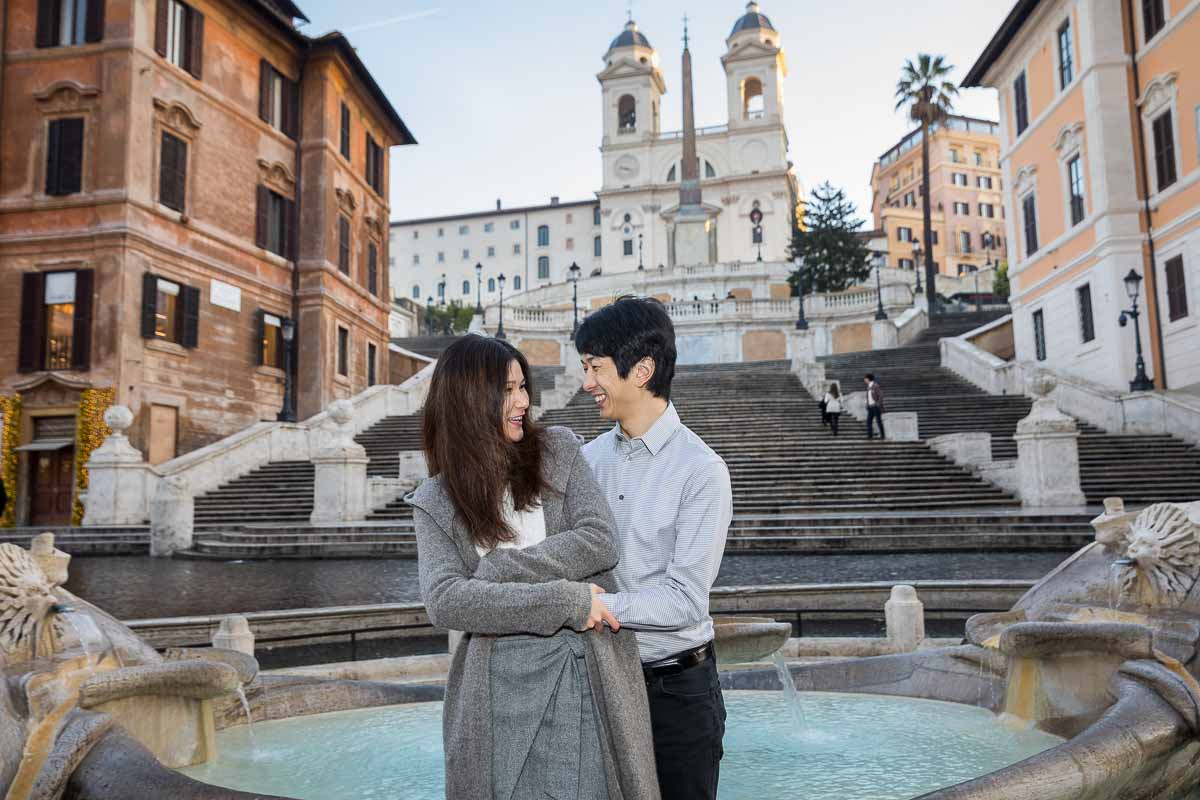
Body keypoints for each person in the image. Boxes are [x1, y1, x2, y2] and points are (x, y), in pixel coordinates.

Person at [410, 335, 660, 800]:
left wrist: (501, 569)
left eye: (524, 387)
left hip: (585, 668)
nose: (523, 401)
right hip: (494, 688)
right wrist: (563, 599)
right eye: (508, 390)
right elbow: (446, 601)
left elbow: (599, 541)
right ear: (470, 400)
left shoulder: (559, 451)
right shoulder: (435, 500)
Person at [576, 297, 733, 800]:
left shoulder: (702, 470)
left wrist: (594, 607)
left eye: (595, 368)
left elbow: (686, 599)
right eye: (585, 368)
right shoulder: (586, 459)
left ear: (641, 370)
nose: (586, 384)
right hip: (601, 681)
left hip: (677, 696)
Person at [864, 373, 886, 440]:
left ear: (868, 379)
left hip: (875, 407)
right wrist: (867, 404)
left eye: (865, 378)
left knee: (878, 421)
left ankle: (882, 435)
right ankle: (870, 436)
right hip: (870, 407)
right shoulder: (868, 387)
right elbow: (868, 397)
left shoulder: (876, 386)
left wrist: (878, 404)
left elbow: (881, 395)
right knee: (868, 422)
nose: (864, 380)